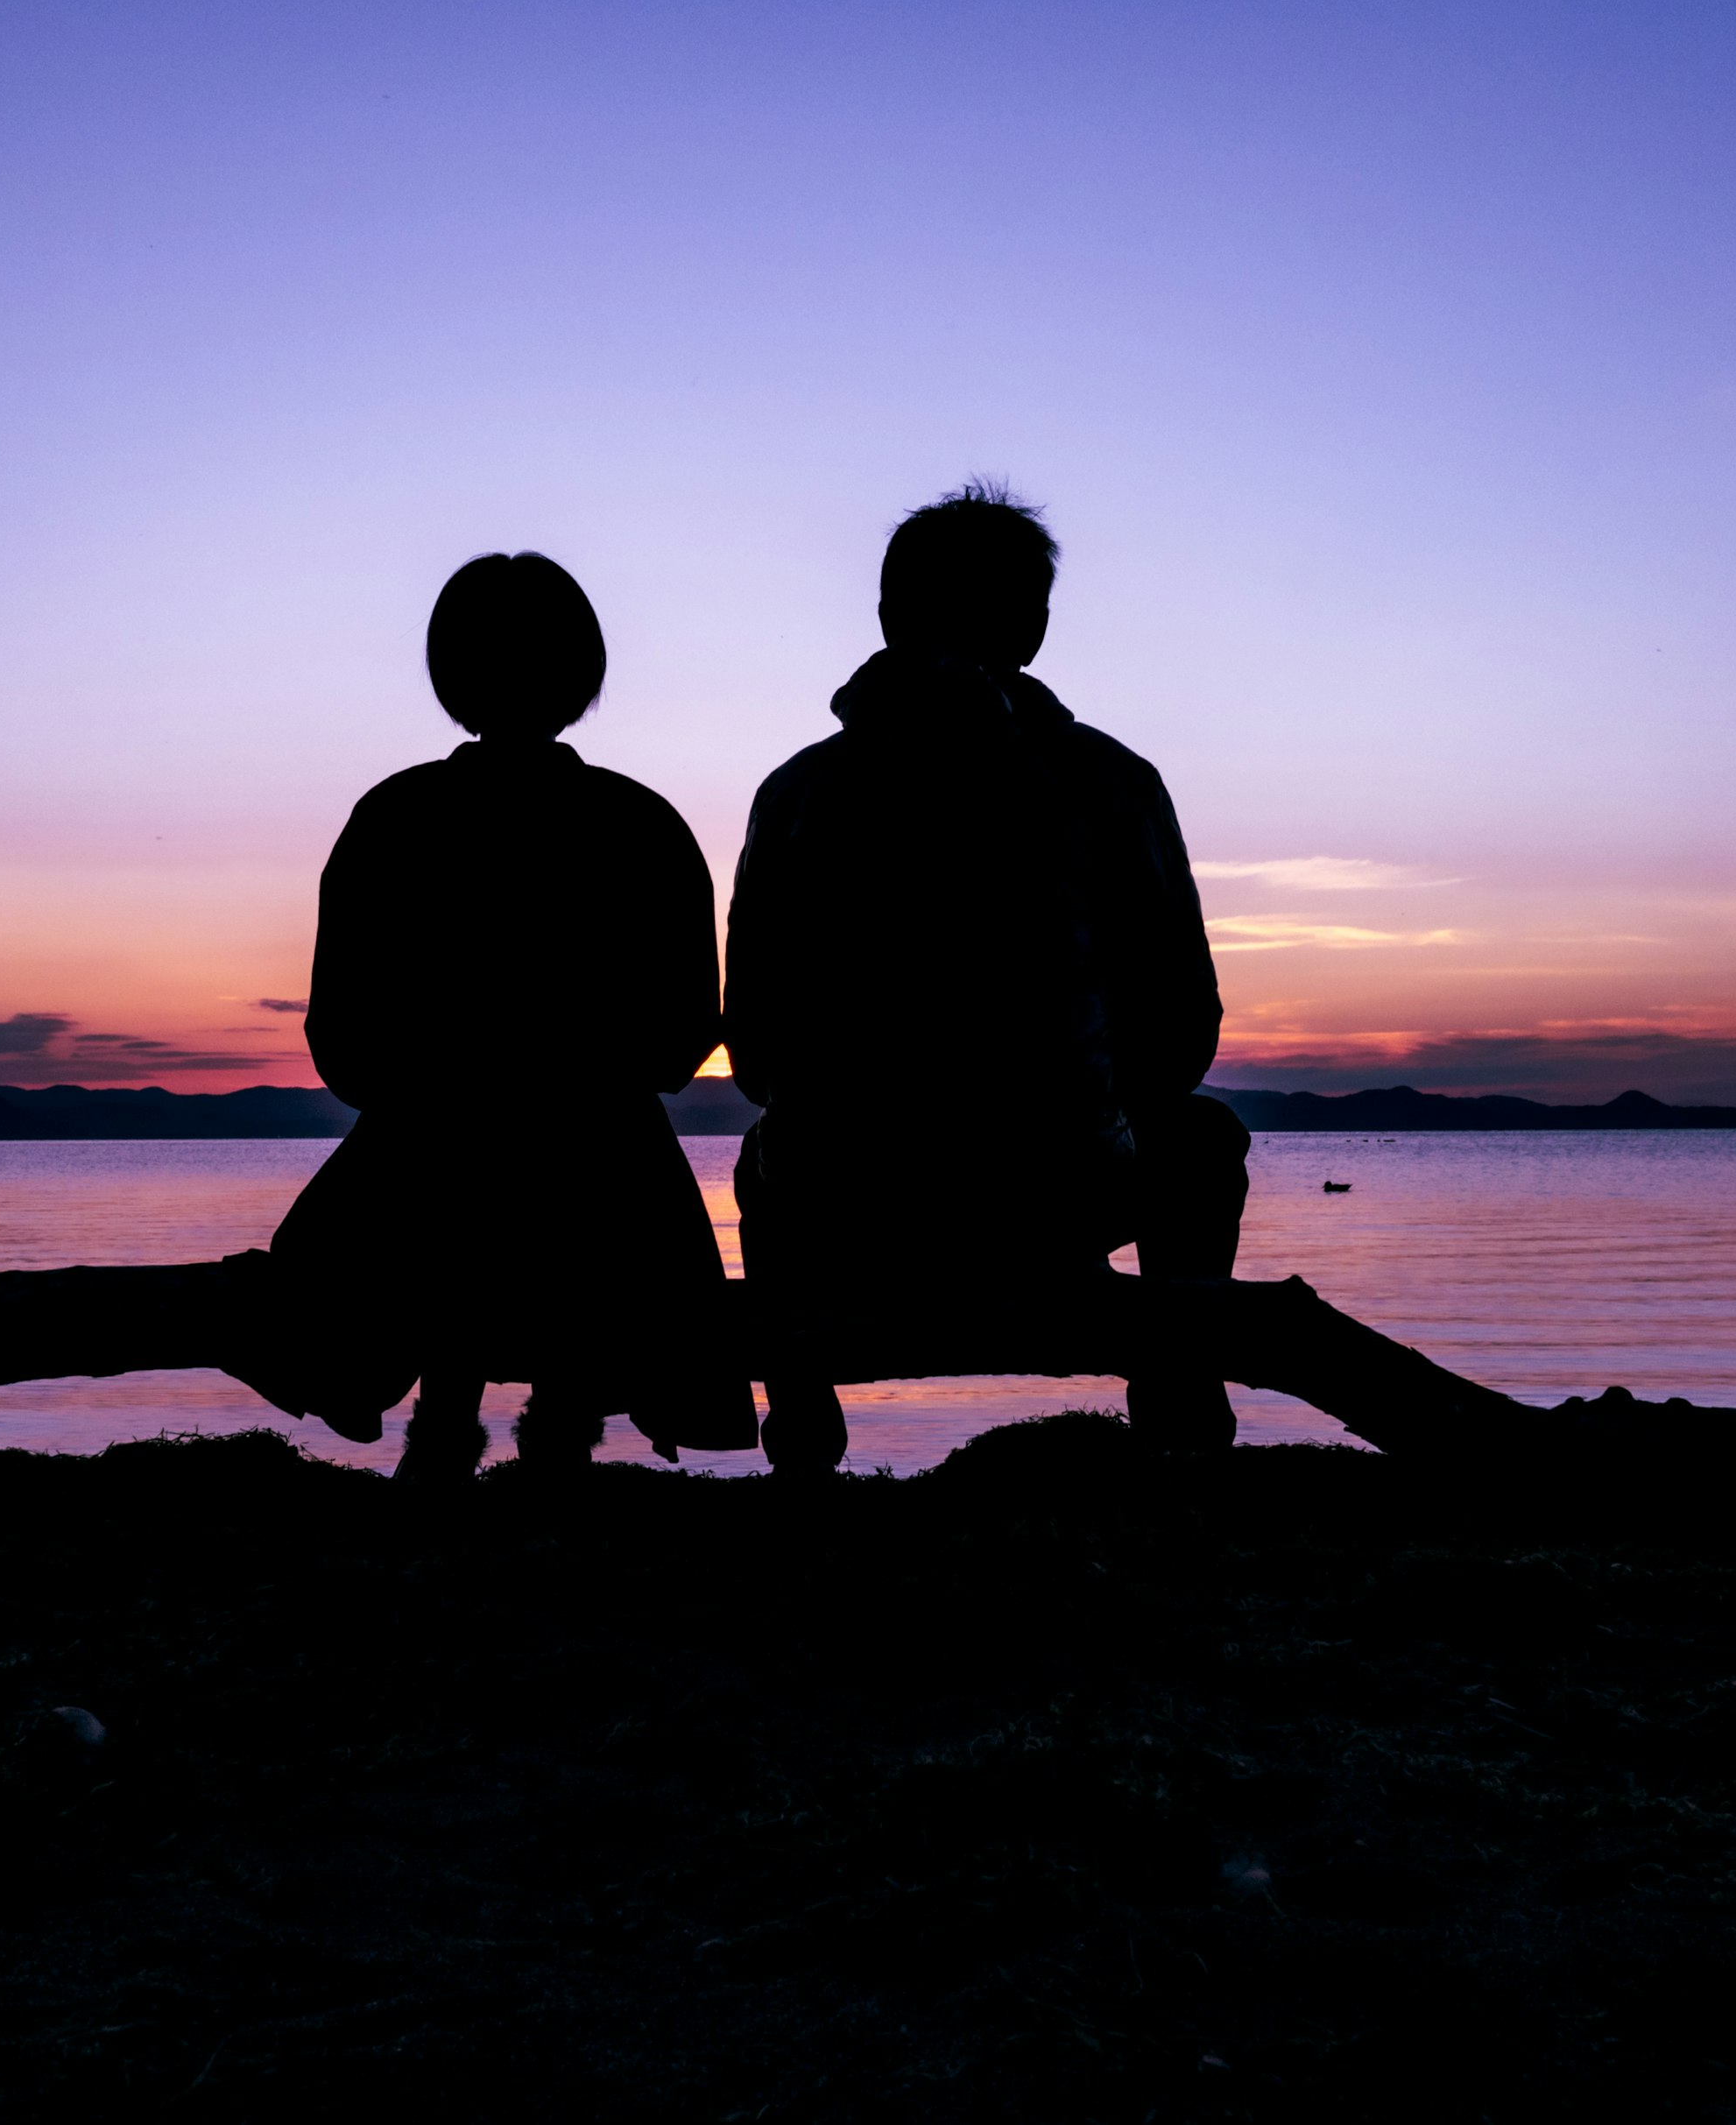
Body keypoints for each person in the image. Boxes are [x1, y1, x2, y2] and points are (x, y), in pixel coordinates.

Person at [721, 484, 1251, 1472]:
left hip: (852, 1197)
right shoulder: (1112, 780)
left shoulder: (799, 793)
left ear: (885, 618)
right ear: (1037, 628)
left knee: (767, 1146)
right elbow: (1182, 1036)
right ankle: (1180, 1392)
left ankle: (800, 1416)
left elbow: (754, 1049)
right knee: (1202, 1134)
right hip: (1066, 1192)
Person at [265, 551, 756, 1476]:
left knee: (430, 1163)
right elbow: (682, 1038)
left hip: (417, 1168)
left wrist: (437, 1081)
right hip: (610, 1174)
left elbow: (343, 1044)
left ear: (450, 674)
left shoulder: (396, 816)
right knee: (591, 1163)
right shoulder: (642, 823)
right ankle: (561, 1430)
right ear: (585, 674)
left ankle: (445, 1419)